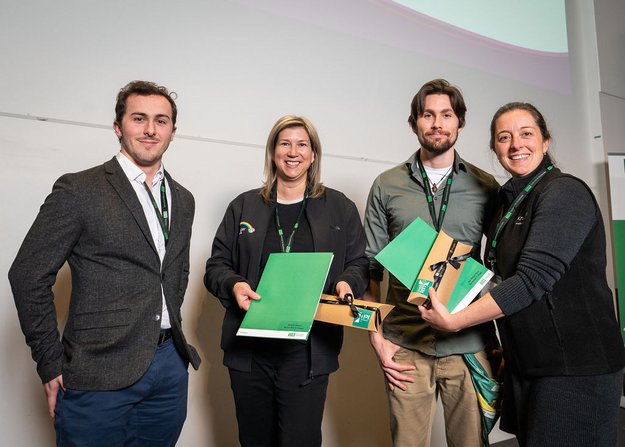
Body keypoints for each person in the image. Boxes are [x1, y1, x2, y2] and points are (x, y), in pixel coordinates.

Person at [420, 102, 625, 446]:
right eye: (504, 137)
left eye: (526, 133)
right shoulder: (506, 203)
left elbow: (532, 280)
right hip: (530, 362)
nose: (516, 144)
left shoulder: (564, 192)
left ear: (546, 141)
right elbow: (493, 277)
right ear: (495, 148)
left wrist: (458, 321)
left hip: (575, 368)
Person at [9, 80, 201, 446]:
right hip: (97, 371)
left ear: (172, 132)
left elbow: (174, 270)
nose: (150, 129)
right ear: (118, 127)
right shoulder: (79, 190)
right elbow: (27, 275)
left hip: (169, 370)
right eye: (139, 118)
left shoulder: (183, 198)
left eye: (161, 121)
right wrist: (50, 364)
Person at [204, 115, 368, 447]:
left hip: (307, 352)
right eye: (284, 143)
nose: (293, 152)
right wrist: (234, 284)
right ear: (273, 152)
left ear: (313, 154)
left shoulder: (339, 207)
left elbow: (358, 262)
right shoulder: (244, 205)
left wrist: (347, 283)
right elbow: (216, 265)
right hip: (250, 352)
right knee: (254, 441)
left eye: (302, 144)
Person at [364, 79, 500, 446]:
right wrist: (376, 338)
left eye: (446, 114)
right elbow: (370, 270)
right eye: (428, 115)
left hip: (467, 342)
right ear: (414, 123)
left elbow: (499, 263)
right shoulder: (386, 185)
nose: (437, 123)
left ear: (459, 123)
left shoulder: (486, 186)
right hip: (404, 344)